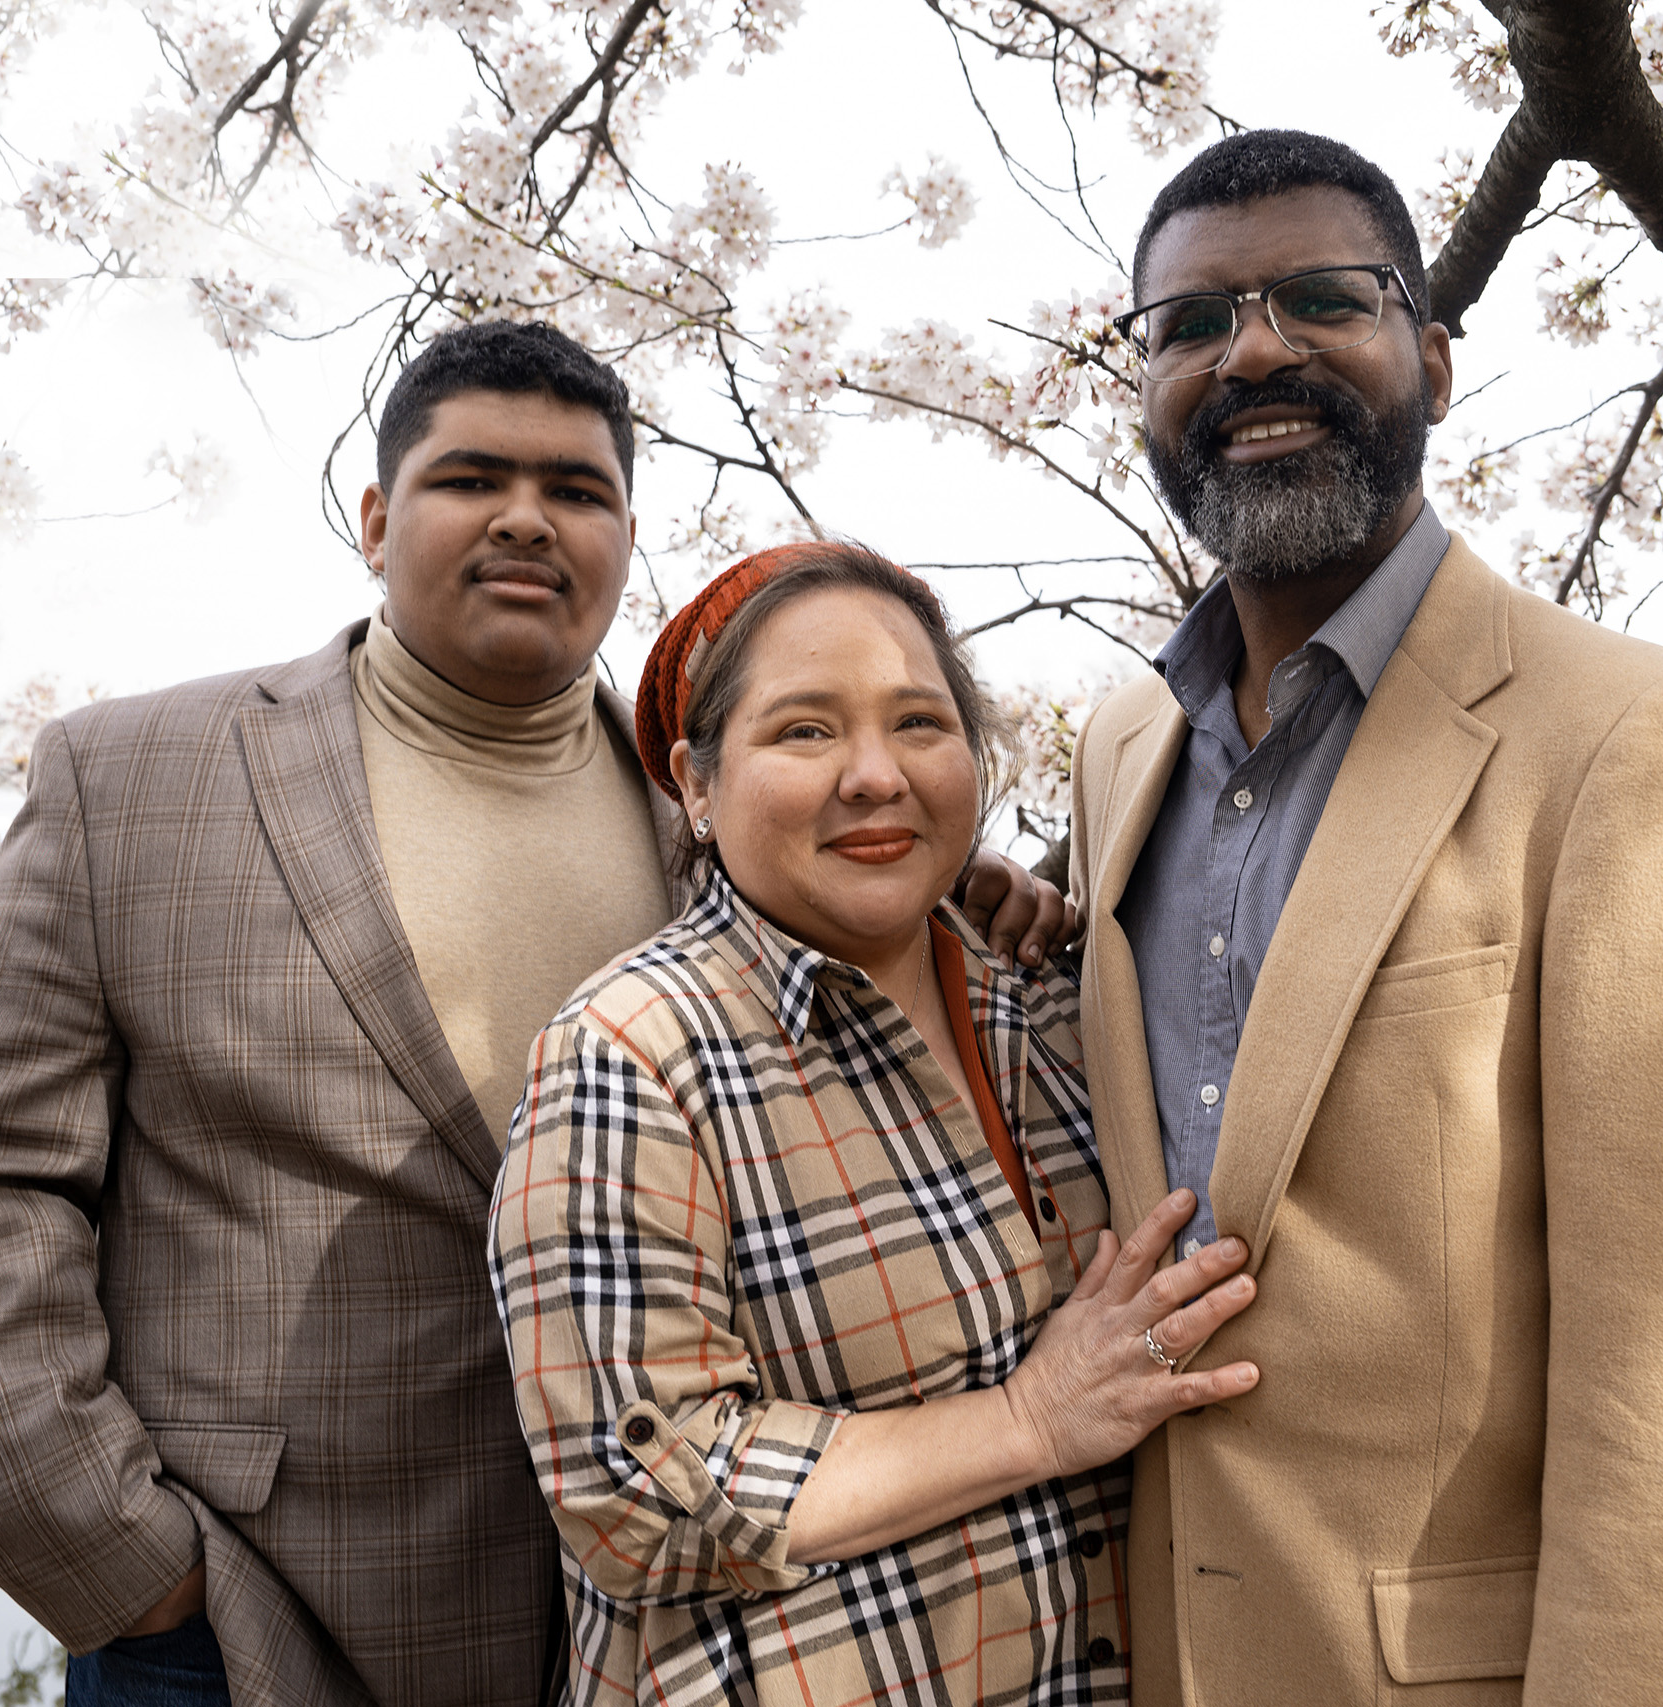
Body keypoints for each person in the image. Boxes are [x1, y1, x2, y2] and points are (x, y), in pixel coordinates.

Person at [0, 324, 1071, 1705]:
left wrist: (952, 883)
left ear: (626, 535)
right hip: (242, 1617)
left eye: (577, 489)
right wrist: (118, 1559)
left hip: (642, 1610)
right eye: (470, 478)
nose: (526, 518)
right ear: (378, 517)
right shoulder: (140, 775)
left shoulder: (714, 806)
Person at [1064, 129, 1663, 1704]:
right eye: (1191, 324)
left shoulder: (1630, 737)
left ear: (1430, 354)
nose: (1254, 348)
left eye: (1320, 300)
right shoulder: (1120, 750)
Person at [489, 541, 1259, 1706]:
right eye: (803, 731)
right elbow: (633, 1494)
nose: (873, 775)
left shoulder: (1050, 1002)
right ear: (695, 786)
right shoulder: (632, 1052)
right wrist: (1028, 1421)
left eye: (919, 724)